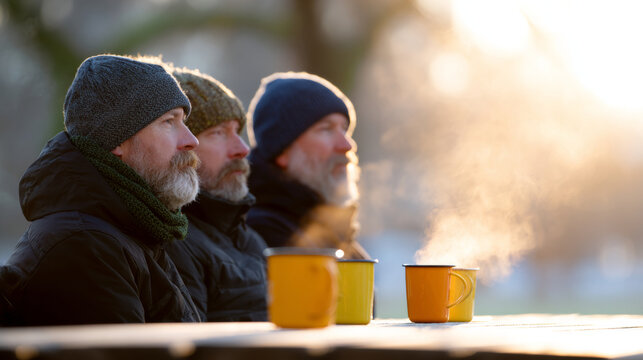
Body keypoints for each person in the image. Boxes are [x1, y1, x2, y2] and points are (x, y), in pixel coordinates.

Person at [0, 55, 201, 325]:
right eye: (169, 121)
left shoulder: (137, 232)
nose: (191, 140)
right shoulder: (83, 245)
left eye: (183, 121)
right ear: (117, 139)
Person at [167, 67, 267, 321]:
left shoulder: (248, 238)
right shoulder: (175, 243)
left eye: (238, 131)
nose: (242, 149)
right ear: (182, 145)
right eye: (218, 133)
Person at [246, 72, 369, 259]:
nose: (347, 145)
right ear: (282, 152)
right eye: (326, 129)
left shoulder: (336, 233)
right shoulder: (266, 233)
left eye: (344, 129)